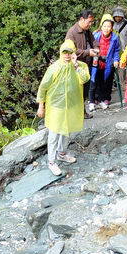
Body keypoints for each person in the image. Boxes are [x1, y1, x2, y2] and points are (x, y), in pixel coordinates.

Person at [36, 39, 90, 176]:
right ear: (61, 52)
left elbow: (85, 79)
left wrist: (76, 64)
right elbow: (43, 87)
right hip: (56, 106)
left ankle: (61, 154)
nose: (67, 55)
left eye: (70, 52)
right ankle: (51, 162)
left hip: (71, 104)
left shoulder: (79, 66)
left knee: (66, 130)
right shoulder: (54, 68)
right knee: (54, 133)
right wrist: (41, 106)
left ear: (74, 53)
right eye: (64, 52)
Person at [65, 9, 97, 117]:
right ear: (82, 19)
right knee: (76, 90)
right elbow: (69, 51)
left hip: (86, 65)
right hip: (75, 66)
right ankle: (76, 113)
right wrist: (88, 52)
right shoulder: (72, 32)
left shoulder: (88, 31)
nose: (90, 24)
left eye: (92, 22)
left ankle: (82, 112)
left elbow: (94, 42)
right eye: (89, 21)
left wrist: (96, 49)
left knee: (84, 90)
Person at [88, 14, 122, 111]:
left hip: (106, 64)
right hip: (95, 63)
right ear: (101, 26)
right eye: (105, 26)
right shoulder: (95, 35)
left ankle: (102, 101)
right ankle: (91, 101)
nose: (106, 28)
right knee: (93, 82)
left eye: (109, 26)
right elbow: (90, 47)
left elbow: (116, 50)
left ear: (112, 28)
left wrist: (116, 60)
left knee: (104, 83)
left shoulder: (114, 38)